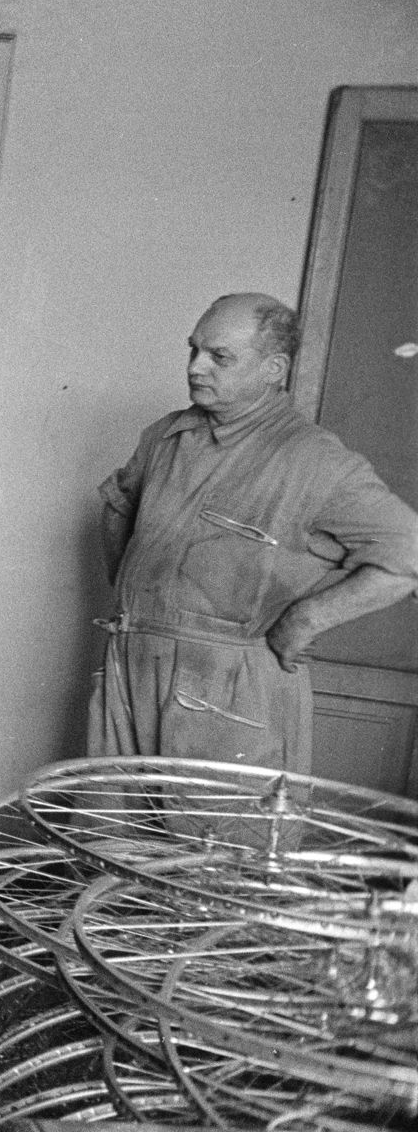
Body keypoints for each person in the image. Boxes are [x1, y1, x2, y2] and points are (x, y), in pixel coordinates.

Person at [88, 292, 418, 774]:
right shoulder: (165, 436)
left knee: (219, 842)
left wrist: (305, 620)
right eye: (194, 349)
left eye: (220, 357)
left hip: (228, 688)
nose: (196, 367)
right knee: (110, 835)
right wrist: (136, 600)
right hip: (130, 667)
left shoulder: (315, 460)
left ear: (274, 368)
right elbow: (118, 506)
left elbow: (408, 554)